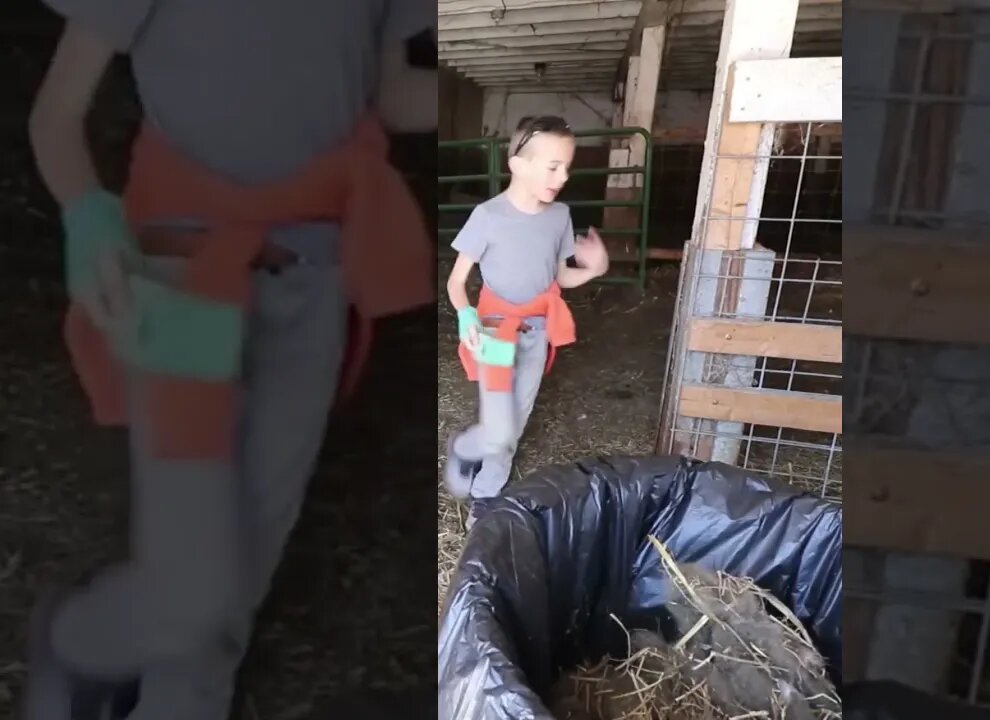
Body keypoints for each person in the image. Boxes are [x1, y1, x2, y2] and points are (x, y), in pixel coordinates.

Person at [22, 3, 435, 719]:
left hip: (311, 279)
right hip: (179, 273)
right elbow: (56, 113)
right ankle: (75, 641)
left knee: (238, 580)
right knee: (190, 591)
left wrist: (502, 106)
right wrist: (88, 218)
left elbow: (390, 92)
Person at [442, 115, 609, 525]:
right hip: (494, 330)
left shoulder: (559, 216)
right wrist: (466, 315)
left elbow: (558, 277)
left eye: (567, 166)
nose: (563, 176)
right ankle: (470, 455)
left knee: (515, 422)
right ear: (518, 164)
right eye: (553, 166)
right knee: (500, 426)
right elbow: (456, 281)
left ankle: (485, 490)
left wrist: (592, 270)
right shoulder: (488, 216)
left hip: (536, 332)